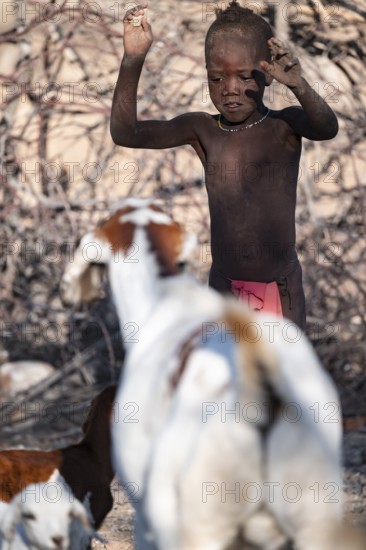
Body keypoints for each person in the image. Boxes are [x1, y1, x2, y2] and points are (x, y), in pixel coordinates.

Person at [110, 1, 339, 330]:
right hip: (223, 290)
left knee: (274, 379)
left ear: (268, 74)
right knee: (223, 378)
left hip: (279, 291)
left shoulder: (284, 126)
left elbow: (327, 128)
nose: (230, 89)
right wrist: (133, 59)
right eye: (217, 78)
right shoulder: (202, 129)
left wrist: (298, 85)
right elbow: (125, 133)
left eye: (245, 76)